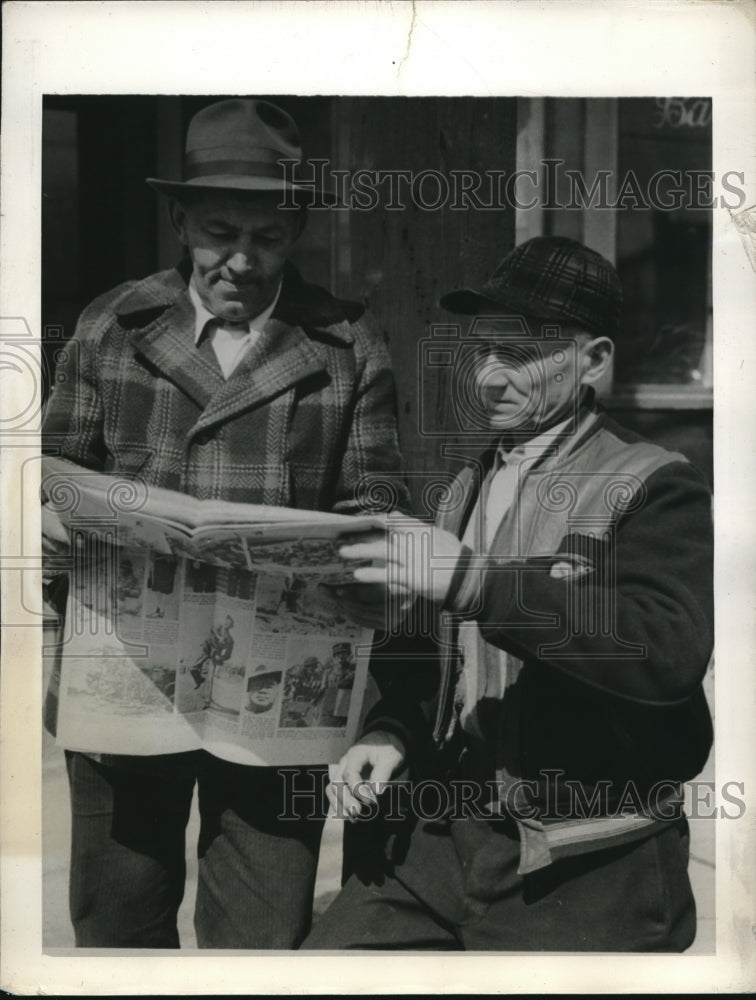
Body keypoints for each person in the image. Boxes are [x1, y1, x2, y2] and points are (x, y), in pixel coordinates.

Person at [41, 98, 408, 949]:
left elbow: (376, 507)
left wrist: (350, 555)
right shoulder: (112, 325)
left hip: (275, 701)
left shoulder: (348, 347)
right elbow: (44, 473)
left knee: (261, 933)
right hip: (126, 676)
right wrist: (52, 520)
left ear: (297, 231)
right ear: (178, 219)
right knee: (118, 923)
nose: (241, 260)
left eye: (268, 238)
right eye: (218, 232)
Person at [304, 236, 714, 952]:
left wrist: (473, 581)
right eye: (483, 351)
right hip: (443, 839)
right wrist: (393, 729)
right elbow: (437, 653)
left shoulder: (655, 482)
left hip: (587, 858)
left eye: (521, 354)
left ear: (595, 361)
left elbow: (665, 651)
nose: (491, 377)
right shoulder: (469, 481)